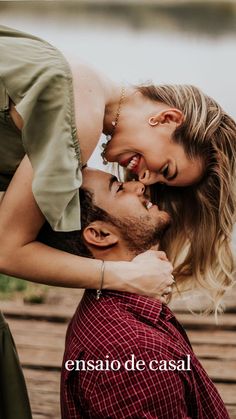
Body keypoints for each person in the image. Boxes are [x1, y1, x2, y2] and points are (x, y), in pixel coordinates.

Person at [40, 167, 228, 418]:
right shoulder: (134, 352)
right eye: (118, 188)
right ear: (100, 234)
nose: (138, 185)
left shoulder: (110, 313)